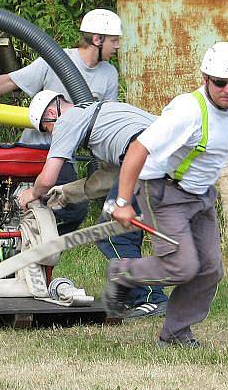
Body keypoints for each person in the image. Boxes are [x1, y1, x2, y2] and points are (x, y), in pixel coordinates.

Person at [103, 42, 228, 347]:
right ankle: (121, 273)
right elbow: (137, 149)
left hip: (201, 197)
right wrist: (123, 202)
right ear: (205, 78)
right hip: (162, 193)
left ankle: (174, 335)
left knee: (209, 270)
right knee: (181, 267)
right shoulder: (187, 111)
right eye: (220, 82)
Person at [0, 8, 122, 234]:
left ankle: (40, 246)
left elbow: (106, 117)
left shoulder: (109, 75)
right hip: (36, 149)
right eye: (114, 41)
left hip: (65, 153)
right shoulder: (57, 60)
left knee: (73, 210)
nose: (117, 46)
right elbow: (11, 81)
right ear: (97, 39)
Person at [15, 90, 168, 318]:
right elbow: (109, 179)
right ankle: (131, 294)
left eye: (47, 128)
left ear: (51, 112)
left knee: (112, 234)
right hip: (175, 161)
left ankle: (150, 298)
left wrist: (33, 193)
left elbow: (47, 178)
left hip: (149, 161)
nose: (51, 134)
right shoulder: (106, 112)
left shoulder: (68, 120)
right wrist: (66, 193)